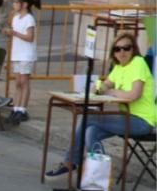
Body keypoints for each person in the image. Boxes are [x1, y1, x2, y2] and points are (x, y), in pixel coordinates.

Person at [45, 33, 156, 179]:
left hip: (142, 121)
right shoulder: (119, 68)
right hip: (126, 118)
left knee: (87, 117)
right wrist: (98, 87)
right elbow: (105, 85)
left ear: (133, 49)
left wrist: (112, 91)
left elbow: (133, 95)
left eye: (126, 48)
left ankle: (70, 162)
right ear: (113, 53)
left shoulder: (138, 63)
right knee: (91, 130)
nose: (122, 52)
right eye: (117, 49)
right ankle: (98, 177)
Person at [2, 0, 39, 124]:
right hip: (17, 53)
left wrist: (14, 33)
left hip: (26, 54)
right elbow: (15, 34)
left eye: (17, 2)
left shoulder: (29, 18)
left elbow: (30, 37)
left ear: (24, 4)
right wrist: (9, 33)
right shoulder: (16, 17)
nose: (14, 4)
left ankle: (22, 109)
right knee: (17, 82)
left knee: (24, 82)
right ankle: (16, 107)